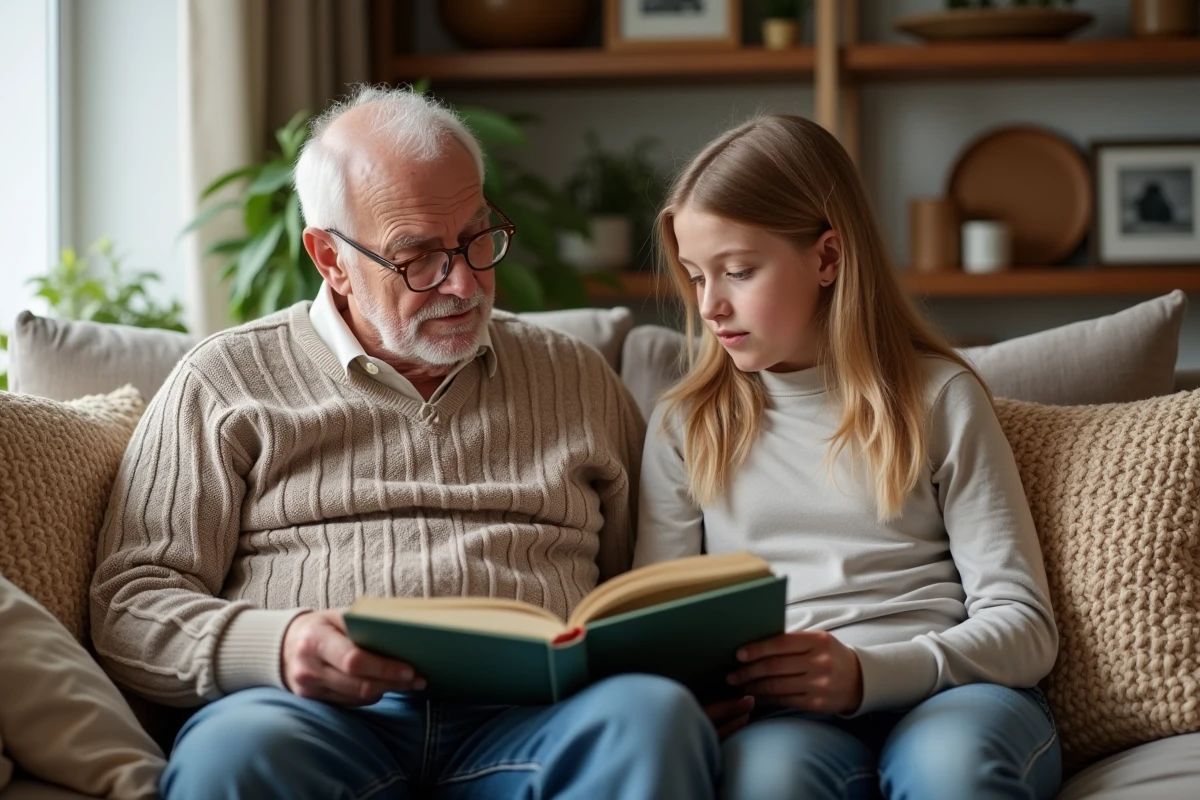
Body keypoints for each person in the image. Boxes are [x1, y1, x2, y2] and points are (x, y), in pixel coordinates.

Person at [90, 85, 718, 799]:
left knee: (655, 718)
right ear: (330, 258)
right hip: (309, 720)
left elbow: (644, 583)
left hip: (539, 720)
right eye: (417, 257)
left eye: (478, 239)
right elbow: (131, 602)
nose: (464, 282)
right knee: (234, 753)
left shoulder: (574, 376)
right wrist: (281, 643)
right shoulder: (225, 380)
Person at [634, 114, 1061, 800]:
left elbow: (1025, 627)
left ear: (828, 258)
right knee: (767, 782)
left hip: (949, 689)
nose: (710, 305)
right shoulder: (687, 425)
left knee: (951, 771)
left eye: (738, 271)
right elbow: (658, 630)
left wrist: (868, 674)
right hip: (787, 718)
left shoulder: (936, 397)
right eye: (694, 276)